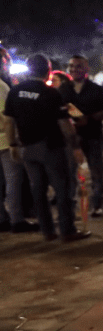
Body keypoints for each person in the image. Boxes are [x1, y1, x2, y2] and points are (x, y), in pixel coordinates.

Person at [3, 54, 89, 242]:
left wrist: (13, 145)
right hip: (51, 147)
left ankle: (47, 230)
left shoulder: (15, 92)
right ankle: (67, 231)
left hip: (27, 148)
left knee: (38, 190)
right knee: (62, 189)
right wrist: (75, 146)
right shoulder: (50, 93)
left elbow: (9, 121)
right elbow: (65, 124)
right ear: (48, 71)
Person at [61, 55, 103, 217]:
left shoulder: (96, 89)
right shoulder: (63, 89)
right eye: (71, 66)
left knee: (97, 172)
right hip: (71, 138)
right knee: (69, 173)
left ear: (86, 68)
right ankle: (70, 207)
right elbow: (59, 109)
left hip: (93, 135)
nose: (74, 69)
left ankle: (97, 205)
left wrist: (90, 118)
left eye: (78, 66)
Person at [0, 47, 35, 233]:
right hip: (5, 141)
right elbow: (7, 117)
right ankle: (17, 219)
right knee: (13, 181)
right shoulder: (1, 86)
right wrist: (14, 141)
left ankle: (2, 218)